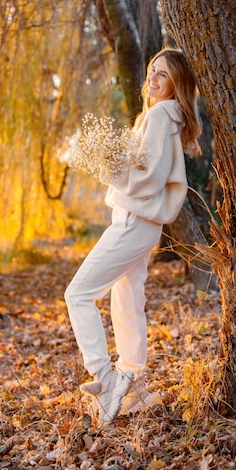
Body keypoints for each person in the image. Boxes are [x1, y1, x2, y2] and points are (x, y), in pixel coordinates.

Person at [64, 48, 202, 427]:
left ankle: (105, 377)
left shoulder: (160, 115)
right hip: (142, 224)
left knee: (77, 294)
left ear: (177, 84)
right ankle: (136, 387)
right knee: (127, 302)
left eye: (163, 74)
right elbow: (149, 169)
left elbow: (147, 178)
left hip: (133, 222)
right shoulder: (165, 116)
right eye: (151, 71)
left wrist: (107, 166)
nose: (153, 79)